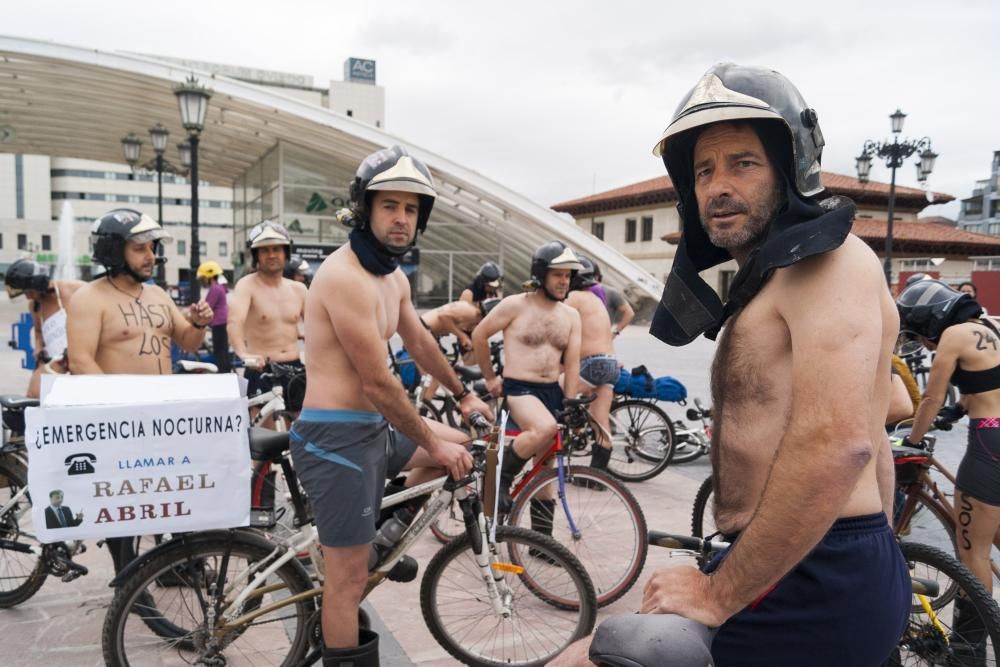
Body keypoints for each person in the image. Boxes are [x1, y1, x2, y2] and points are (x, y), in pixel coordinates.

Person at [553, 63, 908, 667]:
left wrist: (720, 593)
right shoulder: (776, 277)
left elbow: (838, 443)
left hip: (813, 576)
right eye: (703, 170)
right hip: (802, 563)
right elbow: (872, 439)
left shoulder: (832, 264)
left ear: (791, 167)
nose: (718, 185)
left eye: (743, 163)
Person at [290, 144, 493, 665]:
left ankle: (379, 537)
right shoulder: (343, 278)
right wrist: (429, 441)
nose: (402, 219)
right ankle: (356, 566)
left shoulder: (392, 278)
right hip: (335, 437)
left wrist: (465, 393)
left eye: (411, 209)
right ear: (365, 209)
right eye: (390, 206)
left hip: (371, 428)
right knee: (346, 581)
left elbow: (421, 341)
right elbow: (380, 385)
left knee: (465, 447)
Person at [66, 209, 212, 571]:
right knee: (124, 505)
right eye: (139, 248)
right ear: (115, 251)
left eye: (152, 247)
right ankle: (127, 575)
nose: (151, 256)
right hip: (122, 421)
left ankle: (173, 565)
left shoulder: (158, 295)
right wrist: (122, 410)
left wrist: (198, 322)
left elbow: (188, 342)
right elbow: (81, 361)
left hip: (160, 417)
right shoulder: (89, 298)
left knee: (171, 491)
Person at [897, 280, 1000, 640]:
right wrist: (955, 413)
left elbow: (929, 399)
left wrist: (912, 440)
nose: (924, 344)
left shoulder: (954, 334)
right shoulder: (990, 327)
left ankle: (967, 651)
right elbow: (985, 384)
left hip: (989, 440)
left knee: (973, 553)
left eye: (919, 335)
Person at [471, 240, 582, 514]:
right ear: (540, 274)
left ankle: (540, 540)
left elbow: (572, 361)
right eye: (557, 274)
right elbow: (479, 335)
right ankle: (498, 479)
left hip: (551, 391)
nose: (563, 281)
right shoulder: (515, 305)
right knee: (545, 428)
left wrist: (570, 403)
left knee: (545, 466)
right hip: (520, 389)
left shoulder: (571, 316)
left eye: (567, 276)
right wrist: (489, 378)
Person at [228, 221, 307, 415]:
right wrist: (243, 354)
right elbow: (234, 322)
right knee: (267, 437)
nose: (271, 255)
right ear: (256, 255)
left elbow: (317, 327)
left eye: (276, 249)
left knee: (298, 434)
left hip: (295, 369)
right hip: (261, 368)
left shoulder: (299, 289)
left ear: (286, 252)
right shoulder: (247, 285)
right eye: (264, 250)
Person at [3, 258, 85, 397]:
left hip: (78, 356)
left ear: (38, 283)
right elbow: (38, 331)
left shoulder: (72, 289)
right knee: (32, 396)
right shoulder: (35, 306)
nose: (28, 297)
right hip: (53, 361)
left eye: (29, 291)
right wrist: (39, 346)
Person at [565, 256, 617, 474]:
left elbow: (559, 326)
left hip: (592, 363)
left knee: (556, 390)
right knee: (600, 419)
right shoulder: (595, 300)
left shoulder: (574, 298)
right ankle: (597, 475)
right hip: (610, 364)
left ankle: (570, 435)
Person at [197, 260, 231, 372]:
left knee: (219, 351)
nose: (203, 280)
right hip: (221, 322)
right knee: (222, 350)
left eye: (204, 277)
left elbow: (208, 305)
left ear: (209, 276)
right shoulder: (219, 287)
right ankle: (225, 370)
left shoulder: (215, 288)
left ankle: (223, 372)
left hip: (218, 323)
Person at [593, 260, 635, 335]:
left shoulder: (610, 292)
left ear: (596, 276)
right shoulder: (578, 293)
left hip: (603, 340)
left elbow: (629, 313)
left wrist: (615, 332)